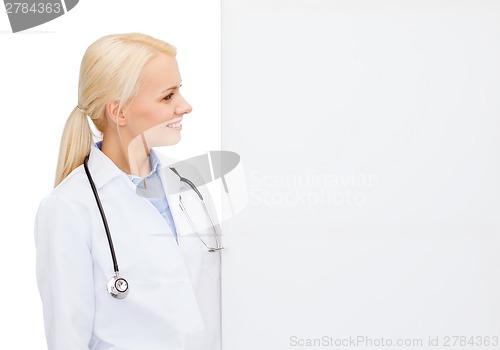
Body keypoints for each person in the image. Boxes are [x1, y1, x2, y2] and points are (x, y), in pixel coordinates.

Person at [34, 33, 222, 350]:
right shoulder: (68, 208)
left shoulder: (191, 184)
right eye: (168, 96)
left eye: (181, 91)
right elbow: (68, 338)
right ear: (119, 111)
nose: (185, 106)